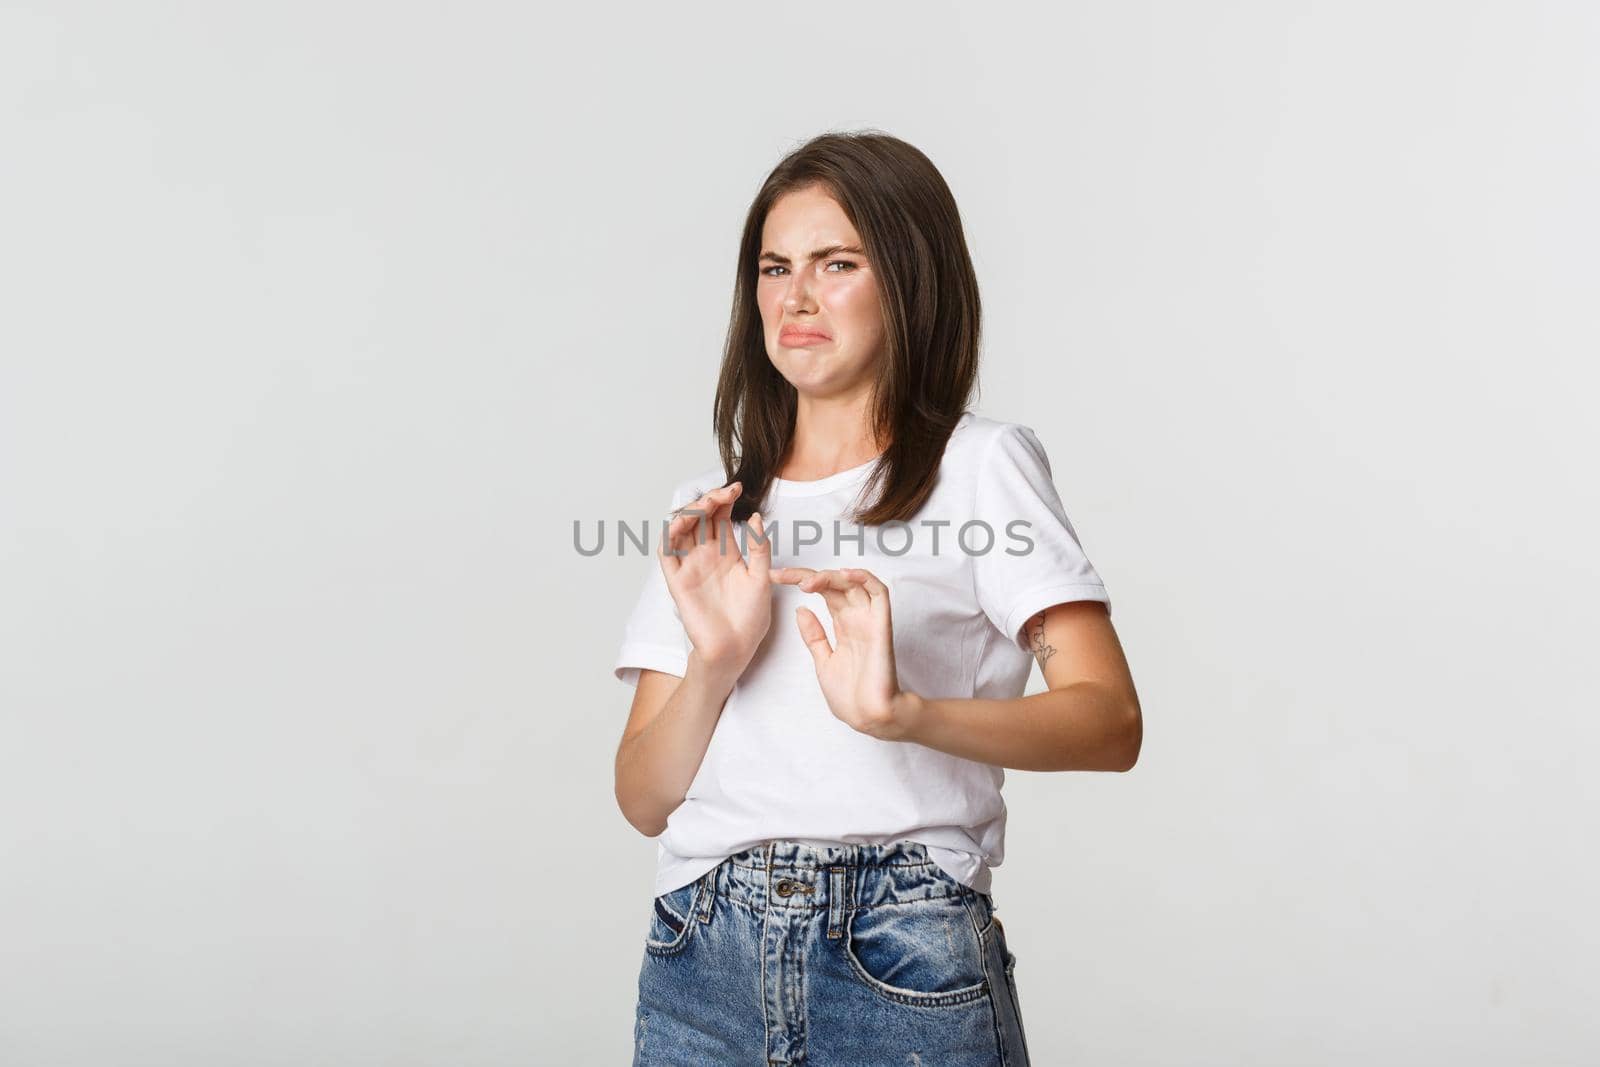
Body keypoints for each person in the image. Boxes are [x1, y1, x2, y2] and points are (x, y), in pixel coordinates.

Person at [611, 130, 1142, 1066]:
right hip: (702, 954)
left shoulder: (980, 471)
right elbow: (643, 796)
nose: (797, 298)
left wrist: (906, 714)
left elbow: (1109, 721)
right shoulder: (717, 511)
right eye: (775, 267)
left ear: (908, 281)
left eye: (836, 263)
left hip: (899, 951)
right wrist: (716, 664)